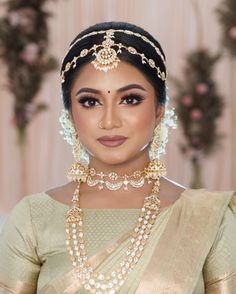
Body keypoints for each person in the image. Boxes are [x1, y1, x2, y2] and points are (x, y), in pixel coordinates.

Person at [0, 21, 235, 294]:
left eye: (130, 99)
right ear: (71, 116)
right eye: (90, 101)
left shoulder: (208, 218)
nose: (109, 121)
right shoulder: (33, 218)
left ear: (159, 110)